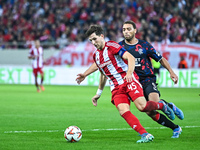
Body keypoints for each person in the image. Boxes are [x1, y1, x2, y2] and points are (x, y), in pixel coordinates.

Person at [76, 25, 175, 143]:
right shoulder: (96, 55)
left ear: (102, 36)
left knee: (143, 107)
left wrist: (129, 73)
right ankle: (145, 135)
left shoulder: (112, 46)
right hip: (116, 87)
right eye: (91, 40)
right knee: (123, 111)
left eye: (95, 39)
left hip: (128, 81)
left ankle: (161, 105)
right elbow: (103, 75)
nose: (93, 42)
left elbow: (130, 57)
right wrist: (98, 92)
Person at [118, 20, 183, 138]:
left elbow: (160, 59)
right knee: (149, 111)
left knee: (156, 103)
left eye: (128, 29)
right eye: (124, 30)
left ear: (135, 31)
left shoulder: (144, 45)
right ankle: (176, 128)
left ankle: (166, 105)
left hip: (147, 79)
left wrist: (171, 72)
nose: (126, 32)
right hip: (133, 82)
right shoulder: (120, 47)